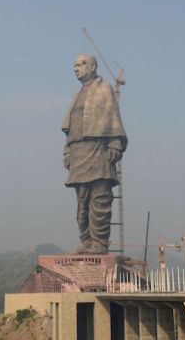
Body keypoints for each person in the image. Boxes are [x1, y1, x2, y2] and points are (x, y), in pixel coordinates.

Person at [62, 54, 127, 254]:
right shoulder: (77, 95)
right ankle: (87, 240)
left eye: (80, 64)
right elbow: (70, 127)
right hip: (78, 152)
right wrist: (67, 150)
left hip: (98, 150)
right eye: (74, 65)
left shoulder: (103, 89)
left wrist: (115, 143)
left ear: (92, 66)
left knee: (99, 198)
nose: (76, 68)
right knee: (82, 203)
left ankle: (99, 242)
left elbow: (112, 117)